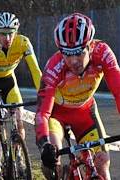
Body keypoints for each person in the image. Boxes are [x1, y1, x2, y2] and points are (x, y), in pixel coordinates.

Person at [35, 12, 120, 180]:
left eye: (79, 52)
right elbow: (42, 114)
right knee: (53, 165)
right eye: (67, 53)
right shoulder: (54, 66)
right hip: (56, 116)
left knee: (102, 165)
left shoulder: (102, 52)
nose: (74, 61)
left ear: (90, 45)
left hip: (84, 113)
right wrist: (45, 145)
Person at [0, 12, 42, 178]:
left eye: (11, 32)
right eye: (3, 33)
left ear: (17, 31)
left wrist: (43, 93)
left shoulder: (23, 43)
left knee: (19, 119)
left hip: (9, 83)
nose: (7, 37)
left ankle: (19, 155)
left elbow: (36, 71)